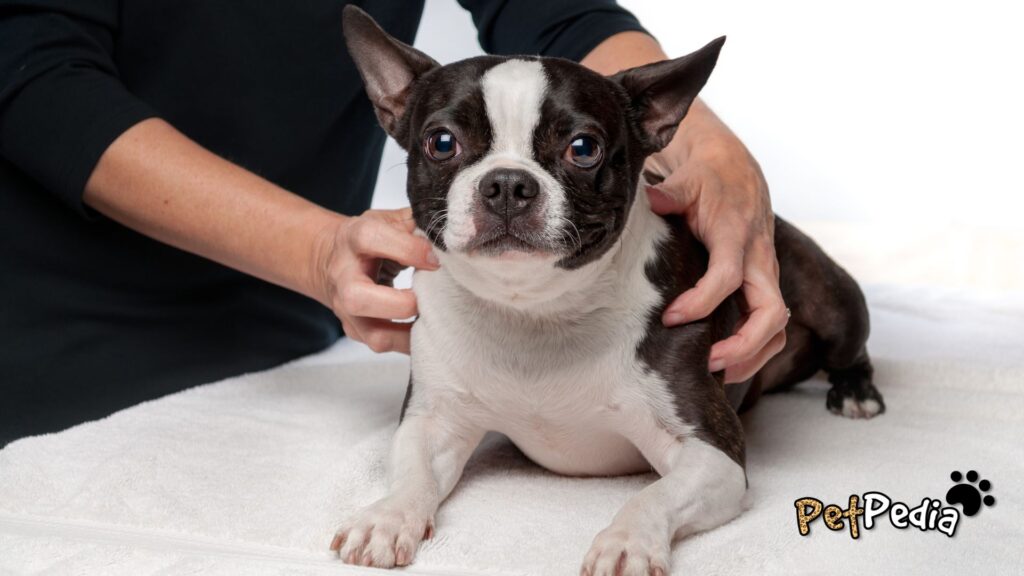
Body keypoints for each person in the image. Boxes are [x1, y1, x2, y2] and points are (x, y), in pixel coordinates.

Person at [0, 1, 788, 445]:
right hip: (46, 321)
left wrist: (710, 146)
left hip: (292, 322)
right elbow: (33, 69)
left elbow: (555, 13)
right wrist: (310, 246)